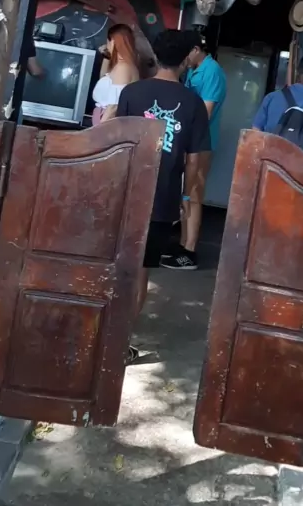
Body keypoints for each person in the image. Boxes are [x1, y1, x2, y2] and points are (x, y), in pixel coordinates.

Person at [116, 29, 210, 360]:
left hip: (126, 193)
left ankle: (99, 339)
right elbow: (194, 160)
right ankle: (120, 346)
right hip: (162, 200)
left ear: (155, 55)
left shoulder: (131, 92)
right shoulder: (193, 103)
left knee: (115, 268)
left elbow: (117, 142)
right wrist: (186, 197)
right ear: (186, 60)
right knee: (141, 272)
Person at [161, 30, 226, 271]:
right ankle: (181, 244)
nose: (183, 58)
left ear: (196, 50)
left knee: (194, 192)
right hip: (187, 140)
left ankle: (189, 251)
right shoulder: (192, 70)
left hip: (201, 142)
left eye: (186, 53)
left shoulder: (212, 72)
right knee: (183, 193)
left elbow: (204, 114)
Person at [92, 24, 139, 124]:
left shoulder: (123, 68)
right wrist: (107, 56)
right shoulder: (124, 65)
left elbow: (114, 106)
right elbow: (104, 78)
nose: (107, 45)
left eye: (108, 42)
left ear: (113, 42)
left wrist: (97, 129)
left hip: (106, 126)